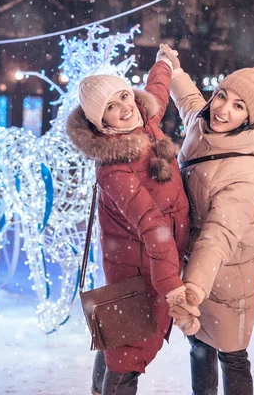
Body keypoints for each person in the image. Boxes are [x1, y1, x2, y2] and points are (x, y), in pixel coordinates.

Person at [66, 45, 199, 395]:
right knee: (128, 355)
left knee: (119, 341)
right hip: (140, 272)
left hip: (150, 263)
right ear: (101, 122)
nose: (124, 108)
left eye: (124, 96)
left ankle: (99, 389)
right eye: (111, 107)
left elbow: (156, 92)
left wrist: (163, 63)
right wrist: (172, 286)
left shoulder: (146, 122)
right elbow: (152, 226)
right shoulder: (115, 169)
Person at [162, 46, 254, 395]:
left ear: (250, 117)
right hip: (196, 257)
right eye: (222, 96)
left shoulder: (244, 168)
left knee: (232, 352)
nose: (223, 109)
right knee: (199, 345)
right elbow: (188, 102)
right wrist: (175, 70)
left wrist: (194, 286)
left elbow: (220, 233)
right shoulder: (203, 126)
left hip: (230, 267)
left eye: (238, 106)